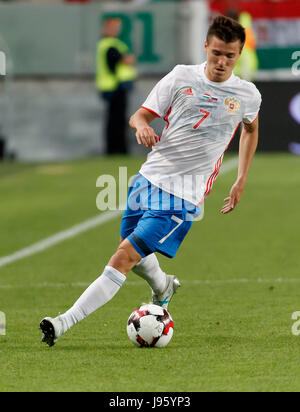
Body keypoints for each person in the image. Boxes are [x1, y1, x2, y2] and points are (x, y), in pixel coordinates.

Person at [40, 15, 261, 347]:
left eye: (230, 55)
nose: (221, 61)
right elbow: (140, 114)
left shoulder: (246, 94)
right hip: (148, 179)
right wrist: (142, 126)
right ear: (206, 46)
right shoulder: (180, 77)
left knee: (124, 258)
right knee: (133, 254)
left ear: (239, 53)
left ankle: (62, 323)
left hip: (183, 196)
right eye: (216, 53)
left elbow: (250, 129)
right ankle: (163, 287)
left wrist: (241, 177)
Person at [96, 17, 137, 154]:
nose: (116, 30)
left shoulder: (111, 44)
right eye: (113, 27)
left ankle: (115, 149)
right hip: (115, 87)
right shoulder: (110, 44)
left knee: (115, 120)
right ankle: (117, 150)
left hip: (113, 87)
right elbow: (125, 60)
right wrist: (128, 59)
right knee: (116, 121)